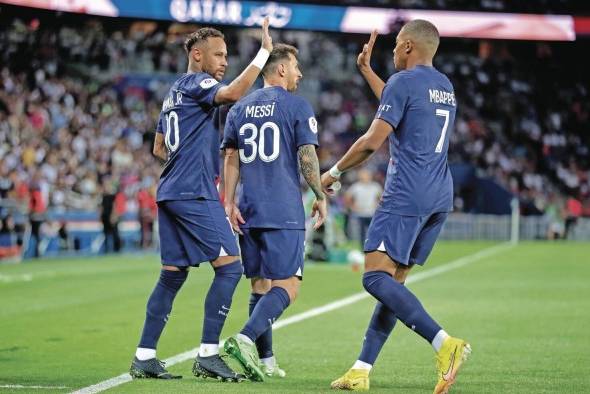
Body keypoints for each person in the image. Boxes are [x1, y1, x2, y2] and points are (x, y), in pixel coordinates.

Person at [322, 21, 470, 394]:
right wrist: (368, 71)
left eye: (393, 46)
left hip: (407, 192)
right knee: (393, 283)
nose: (390, 52)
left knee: (373, 277)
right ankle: (361, 370)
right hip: (439, 193)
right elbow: (400, 102)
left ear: (406, 46)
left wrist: (335, 171)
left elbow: (373, 140)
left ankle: (444, 343)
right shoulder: (444, 87)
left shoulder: (405, 83)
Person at [129, 19, 273, 382]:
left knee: (171, 277)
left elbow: (159, 147)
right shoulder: (197, 82)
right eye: (219, 55)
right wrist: (264, 53)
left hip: (170, 192)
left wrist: (186, 159)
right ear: (197, 55)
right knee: (230, 268)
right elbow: (232, 94)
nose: (224, 62)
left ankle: (144, 356)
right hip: (194, 191)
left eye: (226, 56)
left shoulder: (172, 92)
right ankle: (208, 354)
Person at [221, 43, 327, 382]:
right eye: (295, 66)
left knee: (260, 285)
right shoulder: (296, 105)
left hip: (248, 209)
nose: (299, 73)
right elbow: (307, 155)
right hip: (282, 207)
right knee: (289, 286)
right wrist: (320, 194)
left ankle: (265, 361)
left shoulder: (239, 108)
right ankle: (244, 338)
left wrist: (229, 201)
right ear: (280, 69)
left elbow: (231, 158)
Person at [345, 169, 382, 246]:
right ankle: (362, 249)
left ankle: (372, 247)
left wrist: (377, 205)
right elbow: (347, 196)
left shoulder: (375, 186)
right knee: (360, 233)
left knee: (372, 232)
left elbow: (382, 197)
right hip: (359, 214)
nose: (365, 177)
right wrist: (352, 207)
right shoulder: (356, 186)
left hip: (372, 213)